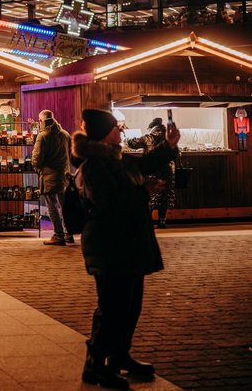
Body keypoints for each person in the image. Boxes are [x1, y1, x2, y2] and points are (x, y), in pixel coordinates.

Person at [72, 108, 179, 389]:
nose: (121, 130)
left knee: (130, 305)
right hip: (109, 246)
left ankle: (120, 355)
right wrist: (144, 192)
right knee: (112, 306)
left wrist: (168, 146)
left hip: (129, 244)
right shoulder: (95, 165)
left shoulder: (116, 159)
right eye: (116, 127)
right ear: (105, 133)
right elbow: (109, 203)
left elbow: (143, 165)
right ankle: (94, 364)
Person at [125, 118, 176, 229]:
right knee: (165, 195)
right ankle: (162, 221)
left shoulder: (148, 137)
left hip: (152, 168)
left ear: (152, 128)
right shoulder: (166, 137)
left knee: (151, 194)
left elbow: (131, 144)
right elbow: (177, 153)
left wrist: (126, 136)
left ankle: (148, 220)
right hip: (168, 169)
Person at [33, 109, 74, 246]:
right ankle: (69, 233)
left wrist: (38, 168)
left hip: (49, 175)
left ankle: (58, 235)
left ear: (41, 121)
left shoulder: (43, 136)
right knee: (65, 206)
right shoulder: (65, 134)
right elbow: (70, 154)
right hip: (65, 175)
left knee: (52, 206)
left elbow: (36, 159)